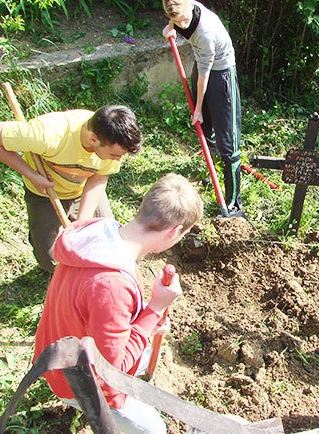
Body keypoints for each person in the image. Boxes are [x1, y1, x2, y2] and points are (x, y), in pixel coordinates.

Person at [33, 173, 203, 434]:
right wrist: (155, 308)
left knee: (143, 356)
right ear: (173, 232)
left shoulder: (98, 235)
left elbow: (102, 313)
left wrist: (145, 319)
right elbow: (113, 371)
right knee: (153, 429)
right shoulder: (111, 285)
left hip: (60, 348)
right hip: (79, 381)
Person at [0, 105, 142, 272]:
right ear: (94, 139)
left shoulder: (115, 141)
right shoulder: (49, 134)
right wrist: (33, 176)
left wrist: (81, 223)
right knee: (51, 258)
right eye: (114, 155)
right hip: (44, 193)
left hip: (82, 188)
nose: (117, 160)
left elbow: (98, 178)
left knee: (110, 240)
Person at [162, 0, 244, 217]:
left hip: (221, 74)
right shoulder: (180, 8)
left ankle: (235, 203)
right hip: (203, 69)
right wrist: (170, 27)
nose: (183, 25)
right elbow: (175, 22)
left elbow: (206, 78)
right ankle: (212, 163)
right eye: (178, 21)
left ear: (191, 7)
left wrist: (198, 108)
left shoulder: (206, 31)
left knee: (229, 142)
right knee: (206, 128)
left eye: (184, 19)